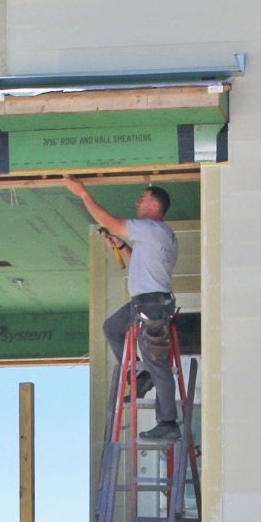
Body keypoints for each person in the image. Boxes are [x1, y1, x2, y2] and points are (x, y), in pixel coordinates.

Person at [63, 178, 181, 441]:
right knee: (112, 328)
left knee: (158, 364)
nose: (138, 202)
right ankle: (139, 375)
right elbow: (142, 264)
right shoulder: (158, 234)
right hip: (145, 301)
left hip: (151, 304)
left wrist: (83, 193)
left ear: (154, 204)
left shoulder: (151, 228)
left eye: (143, 198)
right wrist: (122, 247)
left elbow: (109, 220)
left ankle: (169, 422)